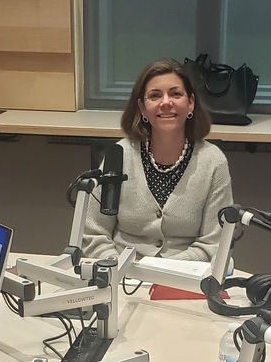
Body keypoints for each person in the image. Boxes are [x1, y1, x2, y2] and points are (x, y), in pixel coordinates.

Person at [81, 58, 234, 262]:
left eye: (175, 94)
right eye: (155, 95)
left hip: (184, 278)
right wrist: (117, 268)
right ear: (143, 108)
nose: (166, 102)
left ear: (191, 103)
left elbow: (214, 243)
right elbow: (94, 234)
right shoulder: (120, 155)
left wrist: (163, 272)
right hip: (121, 274)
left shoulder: (213, 162)